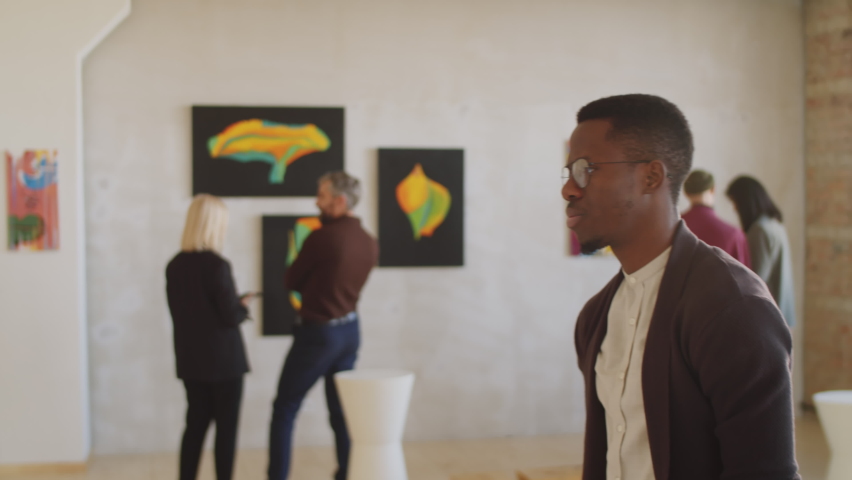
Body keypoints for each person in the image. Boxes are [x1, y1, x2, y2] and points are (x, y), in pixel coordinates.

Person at [563, 94, 799, 480]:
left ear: (651, 177)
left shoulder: (734, 311)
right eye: (568, 173)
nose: (569, 189)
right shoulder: (595, 318)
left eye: (586, 170)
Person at [267, 171, 378, 480]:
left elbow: (291, 280)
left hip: (318, 334)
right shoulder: (369, 241)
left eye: (322, 197)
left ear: (340, 201)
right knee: (341, 412)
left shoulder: (323, 237)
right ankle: (347, 472)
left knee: (285, 408)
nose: (317, 202)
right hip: (350, 332)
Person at [166, 194, 255, 480]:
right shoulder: (217, 266)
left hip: (191, 360)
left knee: (194, 426)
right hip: (224, 364)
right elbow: (229, 316)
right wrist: (242, 307)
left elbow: (185, 312)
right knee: (225, 432)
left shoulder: (174, 265)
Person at [726, 176, 796, 327]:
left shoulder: (759, 231)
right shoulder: (775, 225)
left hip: (767, 317)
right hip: (780, 313)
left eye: (735, 202)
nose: (734, 208)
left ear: (746, 201)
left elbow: (755, 279)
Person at [681, 169, 751, 267]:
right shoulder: (734, 235)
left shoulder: (672, 228)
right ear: (713, 189)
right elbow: (744, 279)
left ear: (686, 193)